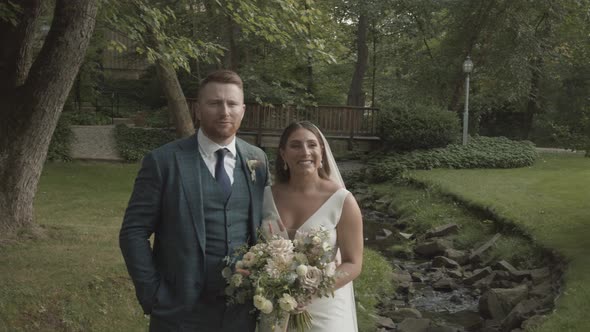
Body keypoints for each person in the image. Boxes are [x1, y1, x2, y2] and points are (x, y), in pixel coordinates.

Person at [119, 70, 270, 332]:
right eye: (214, 103)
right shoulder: (163, 162)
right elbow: (133, 231)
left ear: (243, 110)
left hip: (241, 311)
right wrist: (153, 294)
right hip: (180, 312)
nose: (225, 111)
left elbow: (265, 225)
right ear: (198, 109)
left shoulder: (256, 159)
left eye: (232, 104)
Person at [261, 121, 363, 331]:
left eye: (312, 145)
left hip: (325, 311)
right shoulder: (265, 197)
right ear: (283, 153)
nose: (305, 152)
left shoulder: (342, 200)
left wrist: (311, 291)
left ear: (322, 151)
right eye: (296, 145)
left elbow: (353, 263)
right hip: (275, 309)